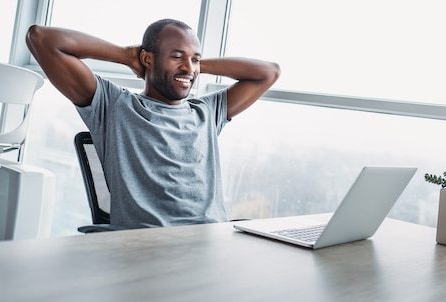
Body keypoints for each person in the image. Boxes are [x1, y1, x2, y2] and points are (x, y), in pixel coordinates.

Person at [26, 19, 280, 229]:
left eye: (195, 59)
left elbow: (269, 72)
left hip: (210, 239)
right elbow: (41, 38)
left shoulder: (207, 111)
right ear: (148, 59)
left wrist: (189, 64)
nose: (189, 69)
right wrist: (128, 56)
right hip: (149, 244)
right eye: (177, 56)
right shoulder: (114, 105)